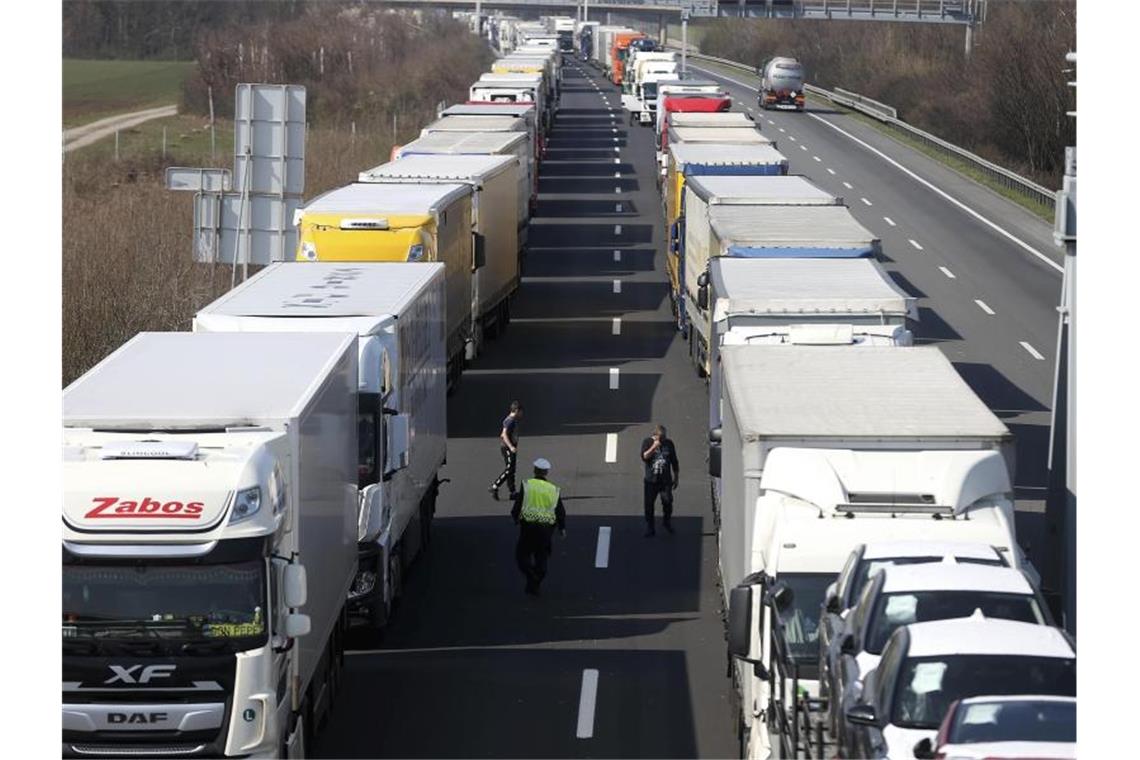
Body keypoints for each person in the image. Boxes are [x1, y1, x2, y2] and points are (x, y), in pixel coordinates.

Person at [511, 458, 566, 596]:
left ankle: (531, 576)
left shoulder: (527, 485)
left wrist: (515, 517)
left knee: (522, 556)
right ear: (547, 472)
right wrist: (562, 528)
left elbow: (518, 504)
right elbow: (560, 510)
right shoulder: (553, 489)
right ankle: (535, 581)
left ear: (535, 470)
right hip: (546, 529)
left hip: (528, 527)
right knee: (542, 557)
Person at [640, 424, 679, 536]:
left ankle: (666, 522)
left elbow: (674, 461)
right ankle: (650, 526)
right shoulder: (647, 442)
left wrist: (676, 477)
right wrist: (654, 447)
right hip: (651, 481)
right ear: (655, 436)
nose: (663, 440)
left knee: (667, 501)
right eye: (661, 438)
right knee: (649, 504)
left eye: (664, 437)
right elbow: (644, 456)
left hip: (665, 480)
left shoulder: (669, 444)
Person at [488, 401, 523, 501]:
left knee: (512, 470)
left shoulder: (512, 420)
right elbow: (503, 435)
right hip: (507, 448)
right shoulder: (510, 421)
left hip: (511, 448)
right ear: (516, 410)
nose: (522, 414)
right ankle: (494, 486)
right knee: (509, 469)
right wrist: (511, 446)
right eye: (521, 412)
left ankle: (512, 492)